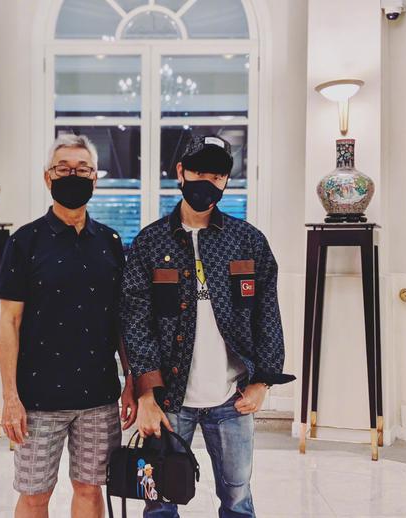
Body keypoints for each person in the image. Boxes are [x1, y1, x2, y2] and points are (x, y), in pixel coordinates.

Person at [121, 135, 296, 518]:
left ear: (226, 180)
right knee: (159, 501)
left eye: (216, 176)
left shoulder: (248, 241)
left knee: (237, 499)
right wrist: (146, 394)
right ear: (181, 171)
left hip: (232, 398)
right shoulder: (150, 243)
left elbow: (267, 315)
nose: (207, 182)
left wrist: (262, 382)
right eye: (199, 171)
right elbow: (136, 322)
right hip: (168, 400)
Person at [0, 134, 137, 518]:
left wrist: (131, 380)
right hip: (37, 398)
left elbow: (121, 319)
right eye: (63, 169)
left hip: (99, 396)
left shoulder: (109, 242)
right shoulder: (24, 242)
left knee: (90, 489)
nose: (73, 176)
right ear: (48, 178)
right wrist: (10, 397)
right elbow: (9, 322)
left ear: (95, 179)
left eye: (83, 169)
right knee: (34, 493)